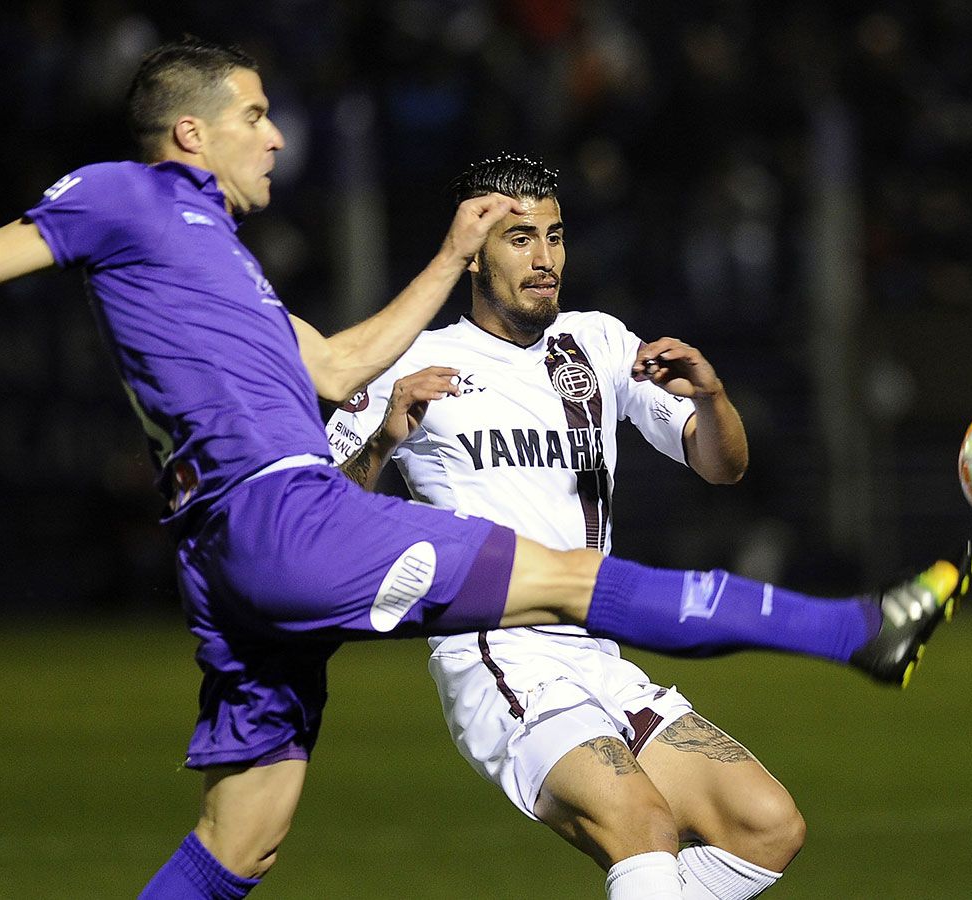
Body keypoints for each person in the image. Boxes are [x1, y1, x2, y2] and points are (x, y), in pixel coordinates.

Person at [0, 39, 972, 900]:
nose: (277, 133)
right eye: (256, 114)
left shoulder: (225, 262)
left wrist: (444, 253)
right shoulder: (124, 198)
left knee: (245, 841)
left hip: (229, 553)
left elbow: (335, 367)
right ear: (189, 132)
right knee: (573, 579)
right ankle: (851, 628)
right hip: (283, 514)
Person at [324, 153, 925, 898]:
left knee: (766, 825)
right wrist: (382, 440)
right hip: (500, 654)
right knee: (641, 826)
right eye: (520, 239)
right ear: (472, 255)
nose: (546, 259)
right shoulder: (412, 357)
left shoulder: (598, 342)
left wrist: (710, 398)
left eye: (556, 235)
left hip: (597, 651)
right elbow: (322, 522)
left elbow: (722, 465)